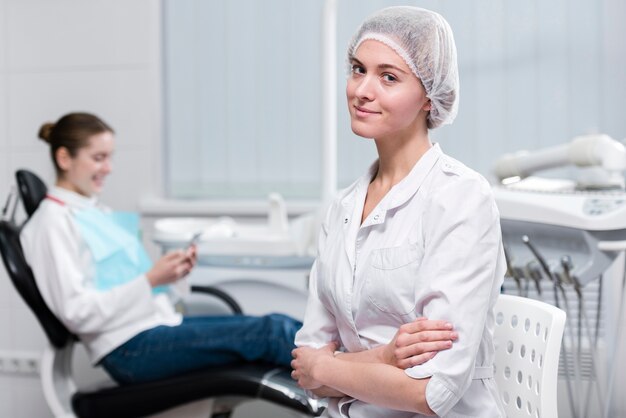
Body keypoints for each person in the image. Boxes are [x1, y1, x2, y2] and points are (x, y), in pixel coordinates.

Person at [291, 6, 505, 417]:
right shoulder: (342, 208)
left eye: (388, 76)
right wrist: (385, 358)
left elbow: (431, 390)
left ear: (428, 94)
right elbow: (305, 365)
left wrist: (328, 367)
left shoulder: (459, 198)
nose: (362, 90)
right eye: (357, 69)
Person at [20, 112, 301, 384]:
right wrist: (151, 279)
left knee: (277, 324)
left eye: (110, 157)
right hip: (129, 349)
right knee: (272, 332)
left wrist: (171, 275)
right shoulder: (52, 224)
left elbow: (124, 285)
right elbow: (77, 313)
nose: (109, 168)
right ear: (64, 158)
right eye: (98, 158)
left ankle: (339, 369)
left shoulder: (91, 212)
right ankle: (341, 377)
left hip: (153, 327)